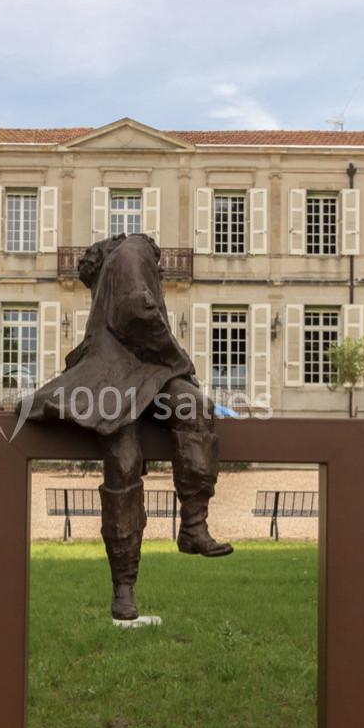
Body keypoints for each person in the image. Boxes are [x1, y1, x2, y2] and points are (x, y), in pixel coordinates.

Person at [23, 234, 231, 620]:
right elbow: (138, 310)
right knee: (165, 425)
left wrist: (171, 364)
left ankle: (130, 582)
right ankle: (190, 526)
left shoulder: (130, 252)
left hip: (143, 372)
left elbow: (136, 308)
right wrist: (180, 362)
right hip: (120, 375)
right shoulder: (132, 255)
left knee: (137, 448)